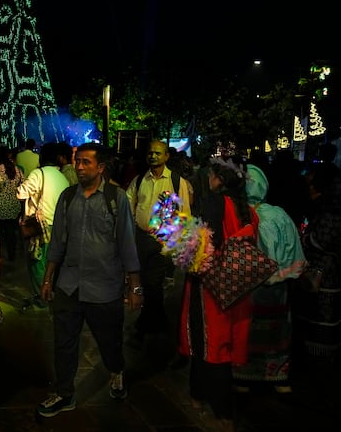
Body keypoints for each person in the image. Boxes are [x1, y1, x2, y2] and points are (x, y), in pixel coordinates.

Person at [35, 142, 142, 418]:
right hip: (69, 285)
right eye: (77, 162)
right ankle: (64, 393)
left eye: (85, 163)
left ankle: (116, 371)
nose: (79, 168)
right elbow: (57, 241)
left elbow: (128, 245)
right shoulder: (67, 197)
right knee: (64, 343)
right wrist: (48, 279)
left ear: (101, 167)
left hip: (105, 286)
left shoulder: (116, 199)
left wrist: (134, 286)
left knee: (109, 342)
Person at [177, 157, 258, 431]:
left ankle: (222, 413)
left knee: (210, 348)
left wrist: (173, 232)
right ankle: (198, 397)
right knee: (220, 345)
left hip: (210, 289)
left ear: (218, 179)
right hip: (236, 289)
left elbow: (199, 250)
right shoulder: (248, 210)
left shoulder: (214, 204)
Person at [231, 164, 306, 395]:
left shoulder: (235, 214)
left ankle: (243, 376)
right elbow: (294, 251)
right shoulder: (279, 215)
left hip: (246, 289)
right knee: (277, 332)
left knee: (248, 331)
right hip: (277, 287)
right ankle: (278, 377)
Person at [125, 140, 192, 350]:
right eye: (150, 153)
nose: (153, 156)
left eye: (157, 153)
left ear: (166, 157)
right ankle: (160, 321)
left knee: (152, 283)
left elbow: (184, 213)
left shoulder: (175, 181)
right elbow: (129, 205)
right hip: (141, 238)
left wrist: (176, 243)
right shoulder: (139, 181)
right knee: (148, 283)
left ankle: (142, 327)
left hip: (162, 240)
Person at [292, 161, 341, 359]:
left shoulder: (330, 212)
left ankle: (317, 351)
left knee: (321, 308)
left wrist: (303, 238)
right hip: (328, 270)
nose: (310, 188)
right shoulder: (327, 208)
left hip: (324, 271)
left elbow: (320, 240)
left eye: (314, 184)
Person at [16, 142, 69, 308]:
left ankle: (42, 297)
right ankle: (50, 292)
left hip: (41, 227)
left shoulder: (38, 174)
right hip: (59, 225)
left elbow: (20, 193)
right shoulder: (62, 176)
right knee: (51, 262)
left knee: (37, 263)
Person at [0, 146, 25, 263]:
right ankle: (12, 255)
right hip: (14, 206)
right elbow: (23, 185)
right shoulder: (17, 170)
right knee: (11, 233)